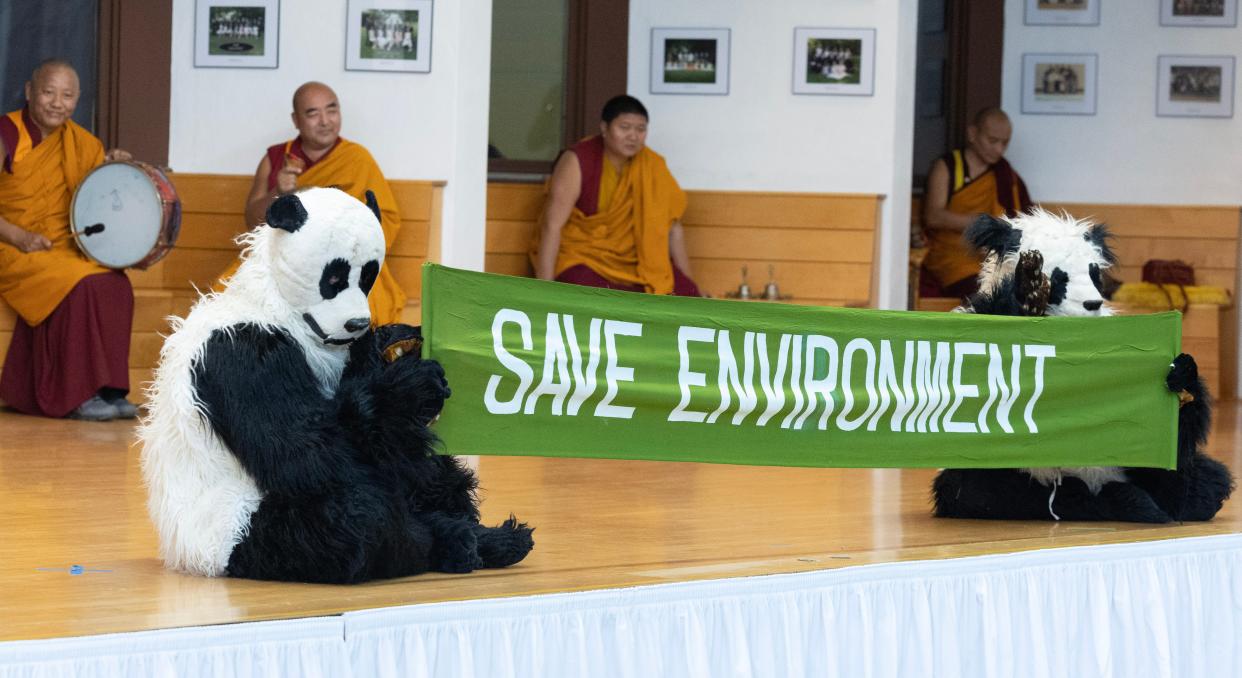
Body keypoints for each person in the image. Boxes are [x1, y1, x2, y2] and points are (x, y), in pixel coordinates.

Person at [0, 59, 137, 421]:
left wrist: (111, 168)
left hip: (64, 246)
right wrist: (18, 236)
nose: (57, 103)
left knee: (115, 283)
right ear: (29, 92)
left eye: (67, 95)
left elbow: (92, 199)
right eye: (48, 92)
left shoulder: (84, 143)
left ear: (77, 100)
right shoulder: (7, 133)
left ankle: (109, 389)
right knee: (82, 284)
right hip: (11, 245)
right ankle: (77, 394)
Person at [228, 81, 405, 324]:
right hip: (286, 261)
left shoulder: (357, 159)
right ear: (296, 120)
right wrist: (277, 192)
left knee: (367, 304)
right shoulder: (276, 159)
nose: (325, 121)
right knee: (229, 295)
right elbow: (251, 221)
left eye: (331, 110)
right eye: (313, 113)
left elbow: (386, 220)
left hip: (346, 265)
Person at [532, 94, 701, 296]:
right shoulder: (578, 160)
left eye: (641, 129)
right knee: (591, 295)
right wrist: (544, 291)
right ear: (604, 128)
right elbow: (552, 225)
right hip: (583, 258)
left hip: (635, 263)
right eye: (624, 127)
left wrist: (692, 286)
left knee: (687, 294)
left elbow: (674, 230)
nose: (633, 136)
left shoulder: (652, 165)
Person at [921, 107, 1033, 298]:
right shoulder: (948, 167)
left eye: (1005, 143)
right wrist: (980, 224)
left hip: (994, 257)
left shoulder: (1005, 175)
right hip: (955, 256)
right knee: (987, 291)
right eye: (992, 141)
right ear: (973, 134)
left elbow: (1022, 221)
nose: (999, 149)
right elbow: (933, 216)